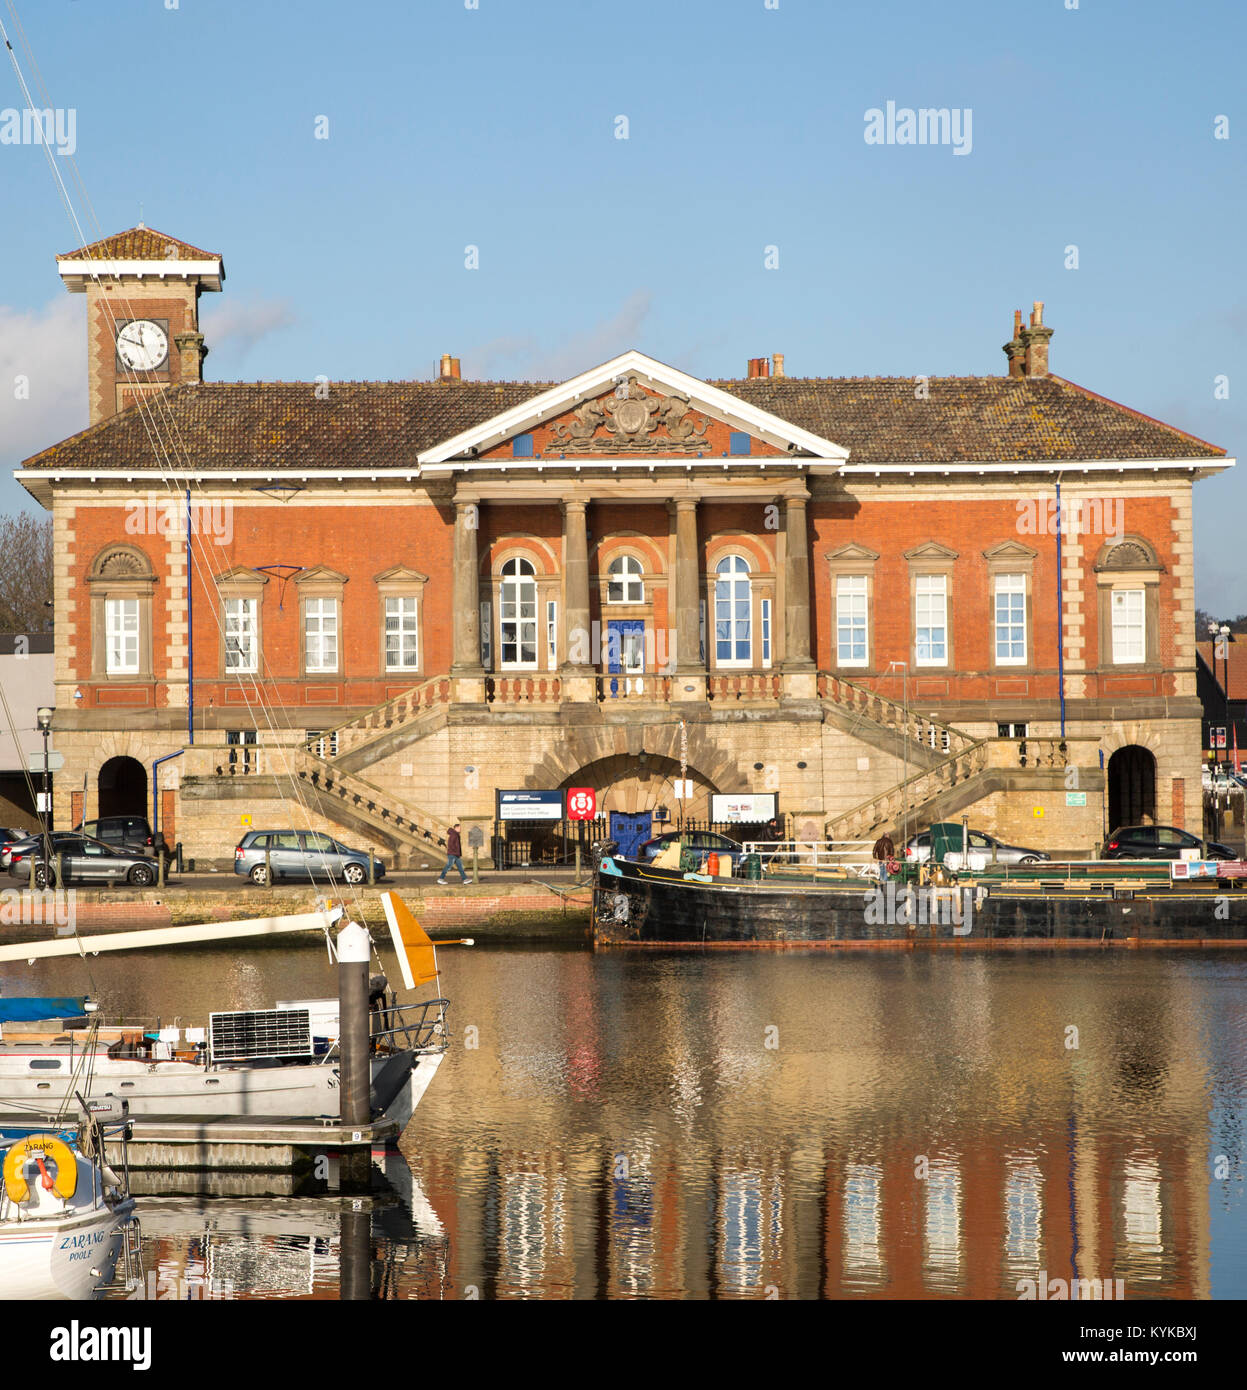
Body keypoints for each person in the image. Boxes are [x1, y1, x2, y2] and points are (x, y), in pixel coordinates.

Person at [437, 821, 468, 886]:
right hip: (453, 854)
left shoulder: (455, 834)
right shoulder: (454, 834)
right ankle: (441, 878)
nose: (460, 829)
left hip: (455, 854)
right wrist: (455, 852)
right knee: (448, 866)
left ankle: (465, 879)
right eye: (460, 828)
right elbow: (451, 844)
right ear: (456, 828)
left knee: (460, 867)